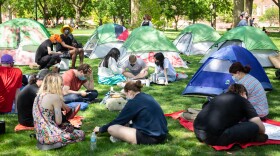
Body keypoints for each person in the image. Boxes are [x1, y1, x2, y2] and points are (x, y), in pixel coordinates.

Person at [93, 80, 168, 144]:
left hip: (151, 137)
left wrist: (101, 129)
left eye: (125, 94)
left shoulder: (133, 102)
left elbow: (118, 121)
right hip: (162, 133)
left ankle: (120, 138)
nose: (126, 96)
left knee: (112, 128)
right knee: (127, 123)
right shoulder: (147, 96)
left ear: (129, 91)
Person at [193, 84, 267, 146]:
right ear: (243, 93)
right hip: (213, 138)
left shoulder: (219, 96)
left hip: (197, 132)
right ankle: (252, 137)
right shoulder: (243, 101)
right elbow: (261, 129)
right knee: (254, 126)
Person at [33, 73, 85, 146]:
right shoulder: (55, 98)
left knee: (68, 126)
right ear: (55, 85)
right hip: (50, 137)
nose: (62, 87)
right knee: (81, 133)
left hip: (39, 134)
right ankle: (59, 143)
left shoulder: (38, 96)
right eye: (61, 84)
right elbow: (58, 122)